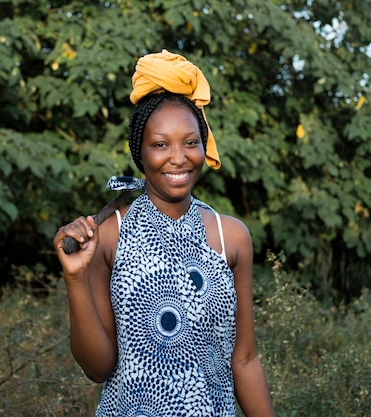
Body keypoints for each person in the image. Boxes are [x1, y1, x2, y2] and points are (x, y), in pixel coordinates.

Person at [53, 49, 275, 417]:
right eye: (160, 144)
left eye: (190, 142)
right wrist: (75, 278)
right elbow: (98, 368)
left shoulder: (231, 237)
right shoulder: (109, 234)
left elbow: (246, 360)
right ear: (139, 152)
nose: (178, 157)